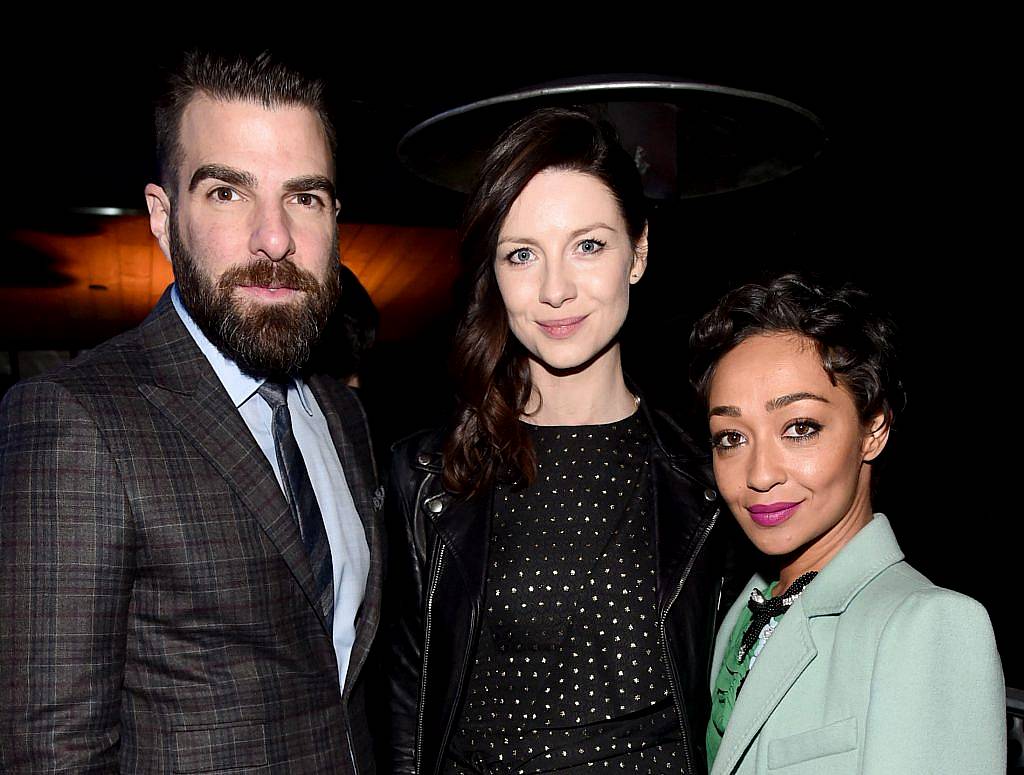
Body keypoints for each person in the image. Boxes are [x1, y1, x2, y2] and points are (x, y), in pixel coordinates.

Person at [0, 50, 382, 773]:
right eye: (227, 193)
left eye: (305, 197)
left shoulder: (341, 414)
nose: (275, 239)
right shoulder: (75, 420)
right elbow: (49, 754)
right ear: (162, 216)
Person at [386, 107, 738, 775]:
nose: (554, 289)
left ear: (637, 252)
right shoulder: (429, 475)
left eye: (589, 245)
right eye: (523, 254)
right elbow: (408, 714)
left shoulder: (710, 479)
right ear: (495, 271)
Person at [689, 274, 1005, 774]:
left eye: (800, 428)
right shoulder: (739, 617)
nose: (760, 474)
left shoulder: (929, 624)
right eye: (731, 437)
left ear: (873, 431)